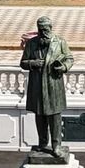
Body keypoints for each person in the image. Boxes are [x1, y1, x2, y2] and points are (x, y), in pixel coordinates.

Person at [20, 17, 73, 159]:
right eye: (40, 29)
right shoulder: (31, 44)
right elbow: (23, 63)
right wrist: (33, 63)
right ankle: (43, 144)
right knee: (40, 117)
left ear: (51, 28)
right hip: (37, 87)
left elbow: (69, 58)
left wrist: (63, 67)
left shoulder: (60, 42)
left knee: (55, 117)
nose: (43, 32)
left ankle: (56, 146)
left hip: (53, 85)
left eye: (45, 29)